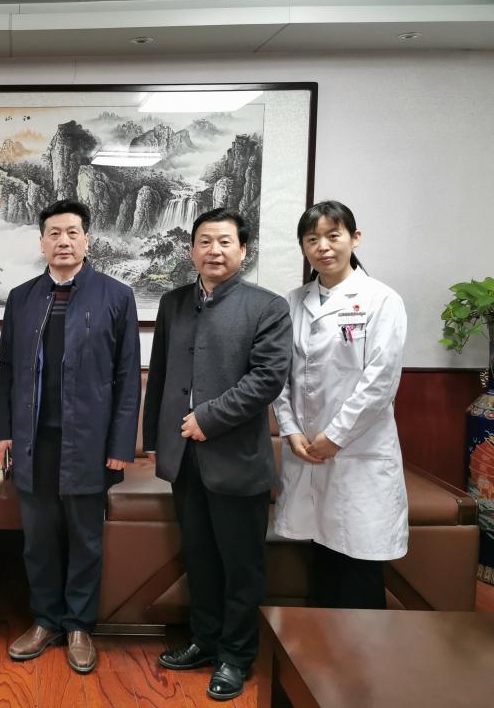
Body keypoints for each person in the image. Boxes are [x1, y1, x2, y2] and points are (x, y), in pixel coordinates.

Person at [143, 208, 292, 701]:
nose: (214, 250)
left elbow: (267, 379)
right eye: (205, 241)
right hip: (184, 459)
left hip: (237, 460)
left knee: (240, 566)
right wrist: (156, 440)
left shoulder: (267, 307)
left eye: (225, 242)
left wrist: (209, 418)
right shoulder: (173, 303)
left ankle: (237, 655)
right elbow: (161, 375)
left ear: (243, 251)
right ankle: (204, 641)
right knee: (200, 558)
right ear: (192, 250)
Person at [0, 199, 141, 674]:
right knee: (38, 541)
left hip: (90, 443)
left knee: (85, 539)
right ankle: (45, 621)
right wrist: (2, 432)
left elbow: (127, 378)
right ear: (41, 242)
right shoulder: (22, 297)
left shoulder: (116, 296)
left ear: (87, 241)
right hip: (33, 441)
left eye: (73, 232)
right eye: (54, 233)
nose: (63, 241)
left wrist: (120, 445)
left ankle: (79, 625)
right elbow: (8, 370)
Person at [273, 200, 408, 610]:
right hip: (306, 449)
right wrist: (291, 430)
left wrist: (335, 436)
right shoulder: (293, 301)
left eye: (333, 236)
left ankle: (365, 650)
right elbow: (279, 376)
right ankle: (322, 648)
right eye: (312, 239)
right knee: (322, 556)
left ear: (355, 238)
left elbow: (380, 381)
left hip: (358, 452)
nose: (323, 247)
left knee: (359, 562)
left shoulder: (381, 300)